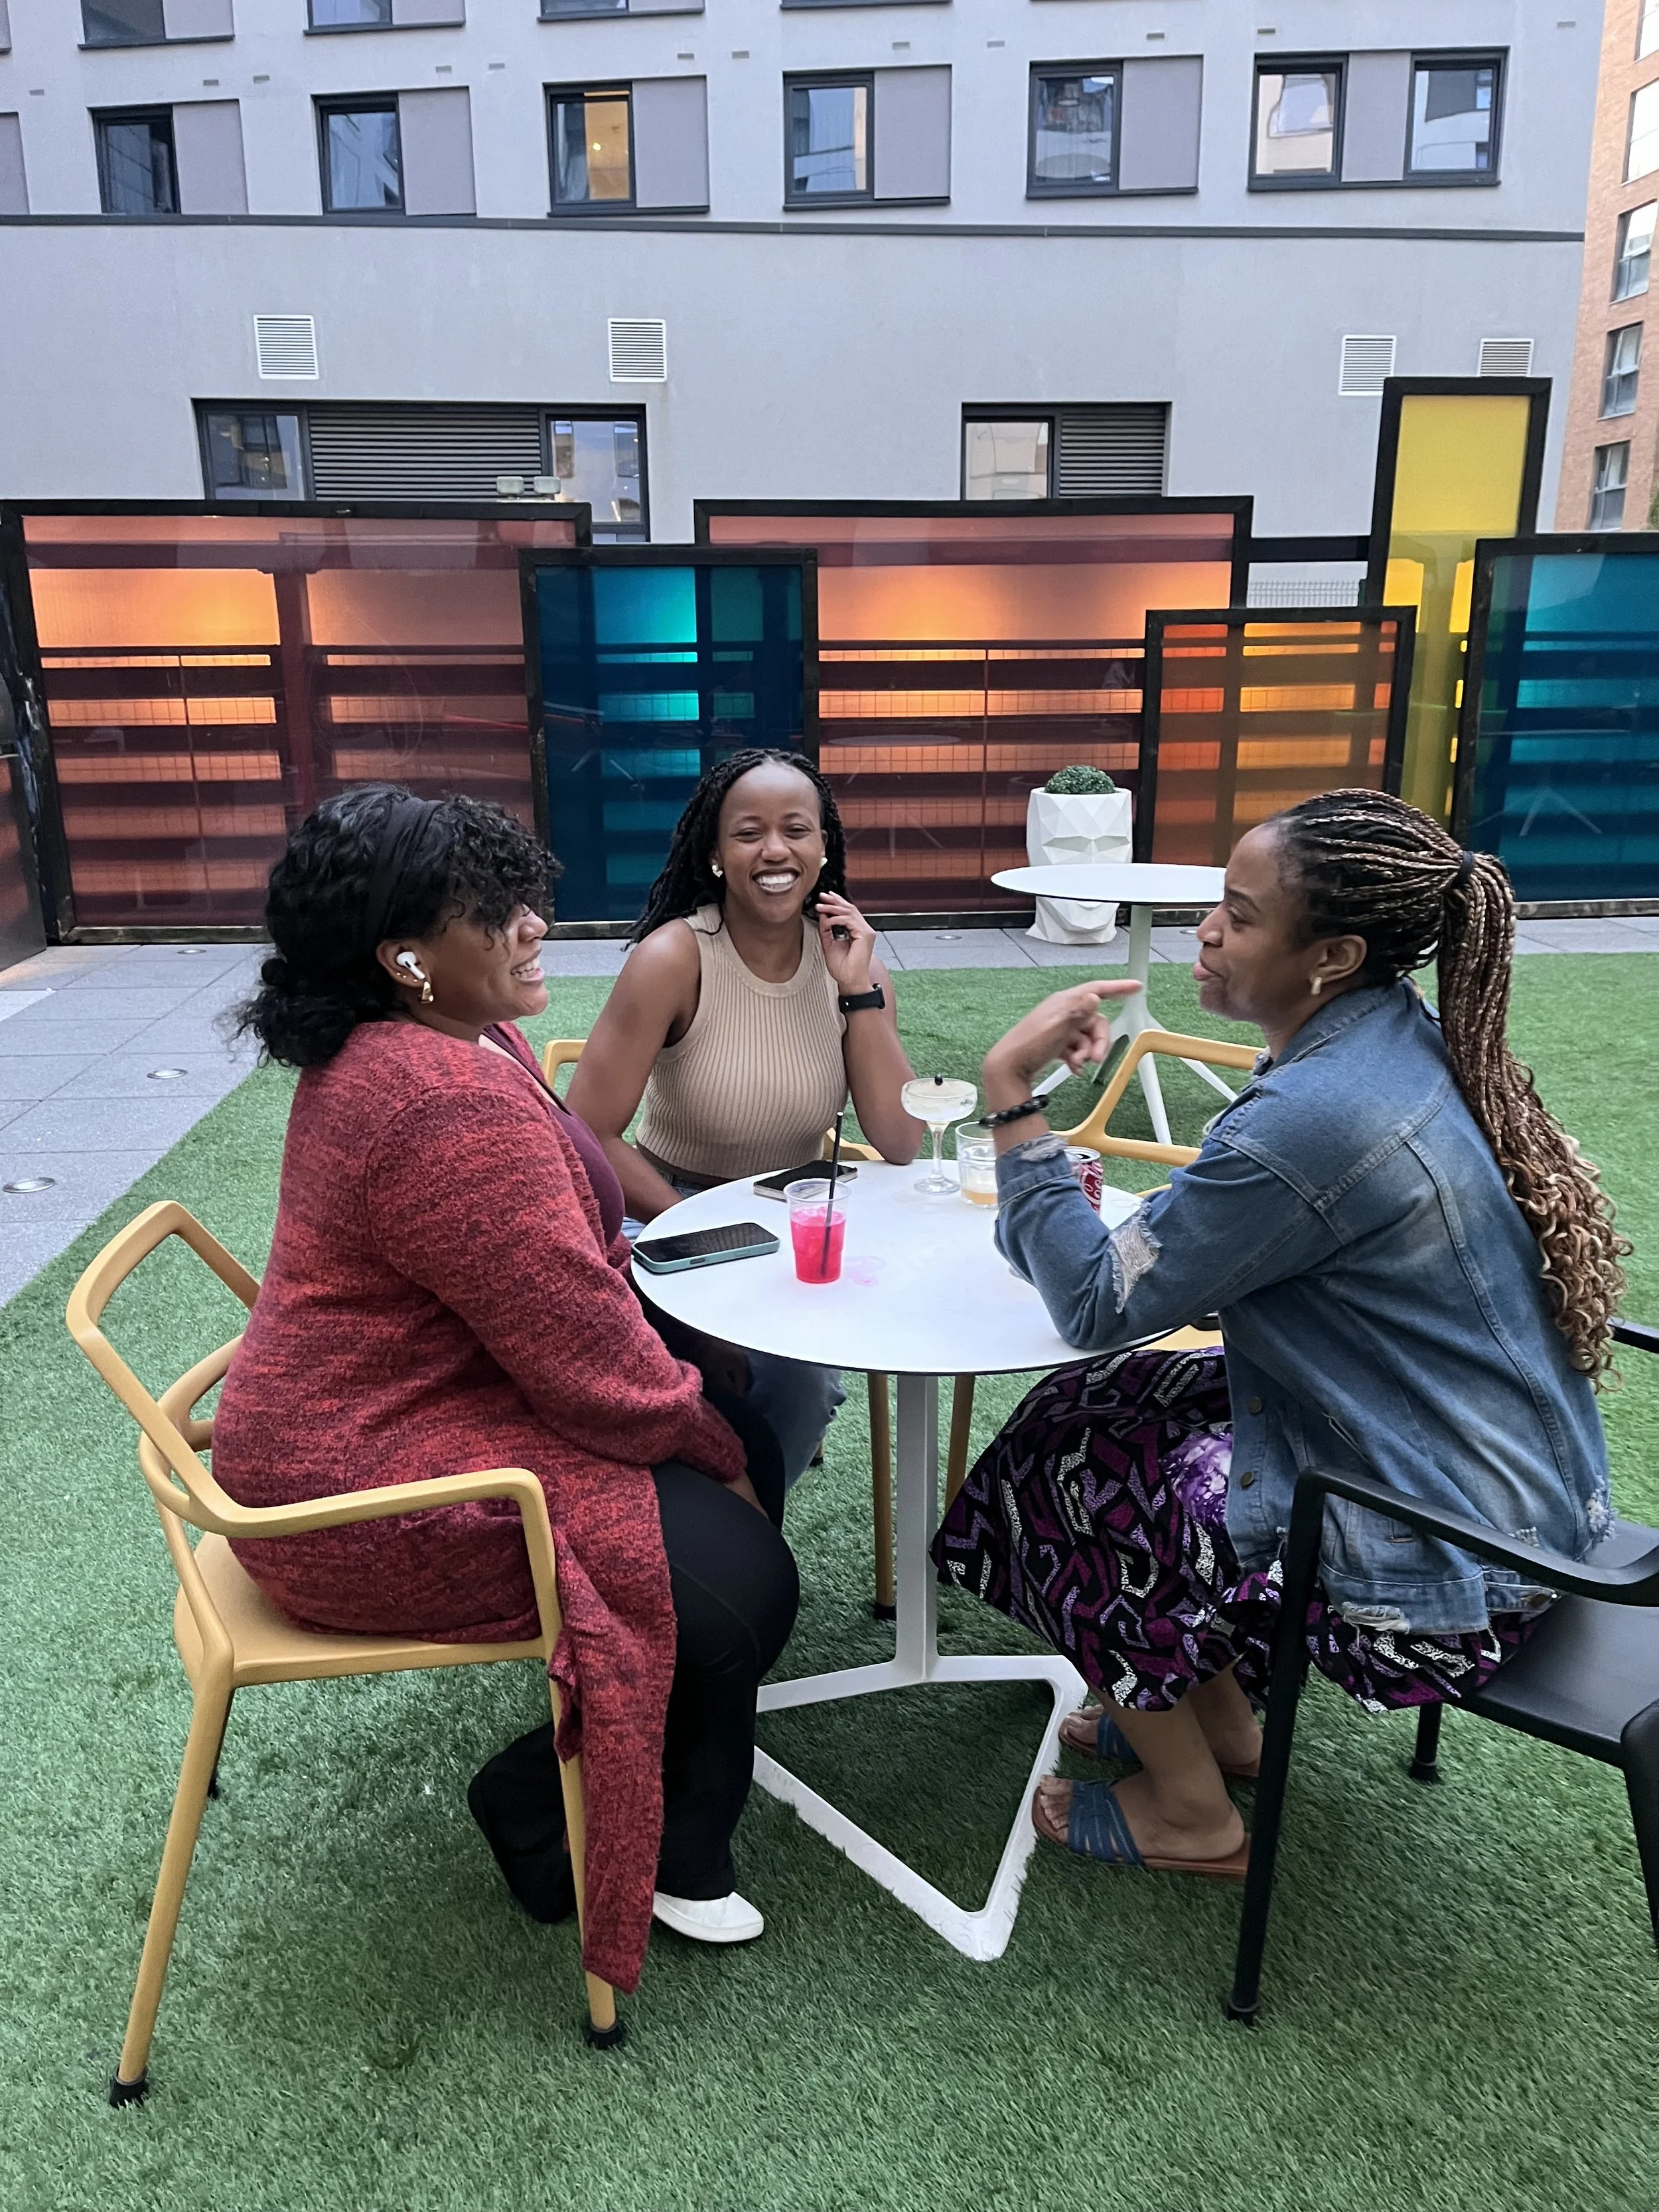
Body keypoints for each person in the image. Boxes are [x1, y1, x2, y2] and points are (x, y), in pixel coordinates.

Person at [932, 788, 1628, 1882]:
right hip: (1510, 1489)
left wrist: (1012, 1093)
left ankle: (1194, 1815)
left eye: (1241, 916)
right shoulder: (1386, 1032)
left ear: (1334, 953)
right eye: (1218, 903)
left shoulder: (1310, 1120)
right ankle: (1217, 1724)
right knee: (1087, 1404)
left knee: (1067, 1468)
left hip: (1454, 1574)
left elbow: (1094, 1301)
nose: (1209, 931)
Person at [214, 783, 800, 1995]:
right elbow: (591, 1374)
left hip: (375, 1408)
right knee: (745, 1577)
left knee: (738, 1438)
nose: (536, 921)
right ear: (407, 958)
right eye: (499, 910)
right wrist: (702, 1436)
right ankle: (550, 1809)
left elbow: (568, 1307)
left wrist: (704, 1414)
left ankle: (666, 1788)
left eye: (524, 893)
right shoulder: (441, 1099)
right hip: (352, 1490)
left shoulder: (452, 1042)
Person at [567, 748, 921, 1484]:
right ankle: (728, 1543)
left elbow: (899, 1137)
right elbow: (588, 1129)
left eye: (796, 829)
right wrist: (699, 1228)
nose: (774, 851)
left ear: (823, 847)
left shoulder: (852, 960)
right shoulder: (674, 958)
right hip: (671, 1210)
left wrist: (857, 990)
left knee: (799, 1383)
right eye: (748, 832)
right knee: (766, 1379)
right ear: (717, 854)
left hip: (797, 1213)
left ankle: (750, 1539)